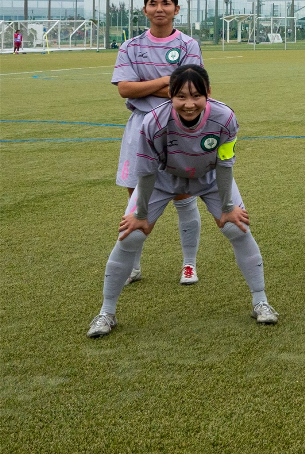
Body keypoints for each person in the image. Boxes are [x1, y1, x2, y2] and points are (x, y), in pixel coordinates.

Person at [87, 64, 277, 337]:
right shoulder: (153, 121)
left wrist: (227, 208)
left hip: (210, 177)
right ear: (170, 96)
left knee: (237, 226)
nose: (189, 104)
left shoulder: (225, 117)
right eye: (181, 97)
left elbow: (224, 164)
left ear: (208, 93)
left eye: (197, 96)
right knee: (131, 235)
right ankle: (106, 313)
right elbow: (147, 170)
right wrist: (140, 214)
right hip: (164, 179)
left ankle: (261, 302)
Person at [110, 0, 204, 287]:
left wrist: (146, 83)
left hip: (177, 126)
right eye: (153, 3)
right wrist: (166, 79)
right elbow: (125, 88)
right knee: (137, 197)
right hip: (140, 126)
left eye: (166, 3)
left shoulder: (189, 45)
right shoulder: (130, 47)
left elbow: (191, 90)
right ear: (145, 10)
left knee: (183, 194)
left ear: (177, 9)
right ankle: (133, 266)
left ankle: (189, 264)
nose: (159, 8)